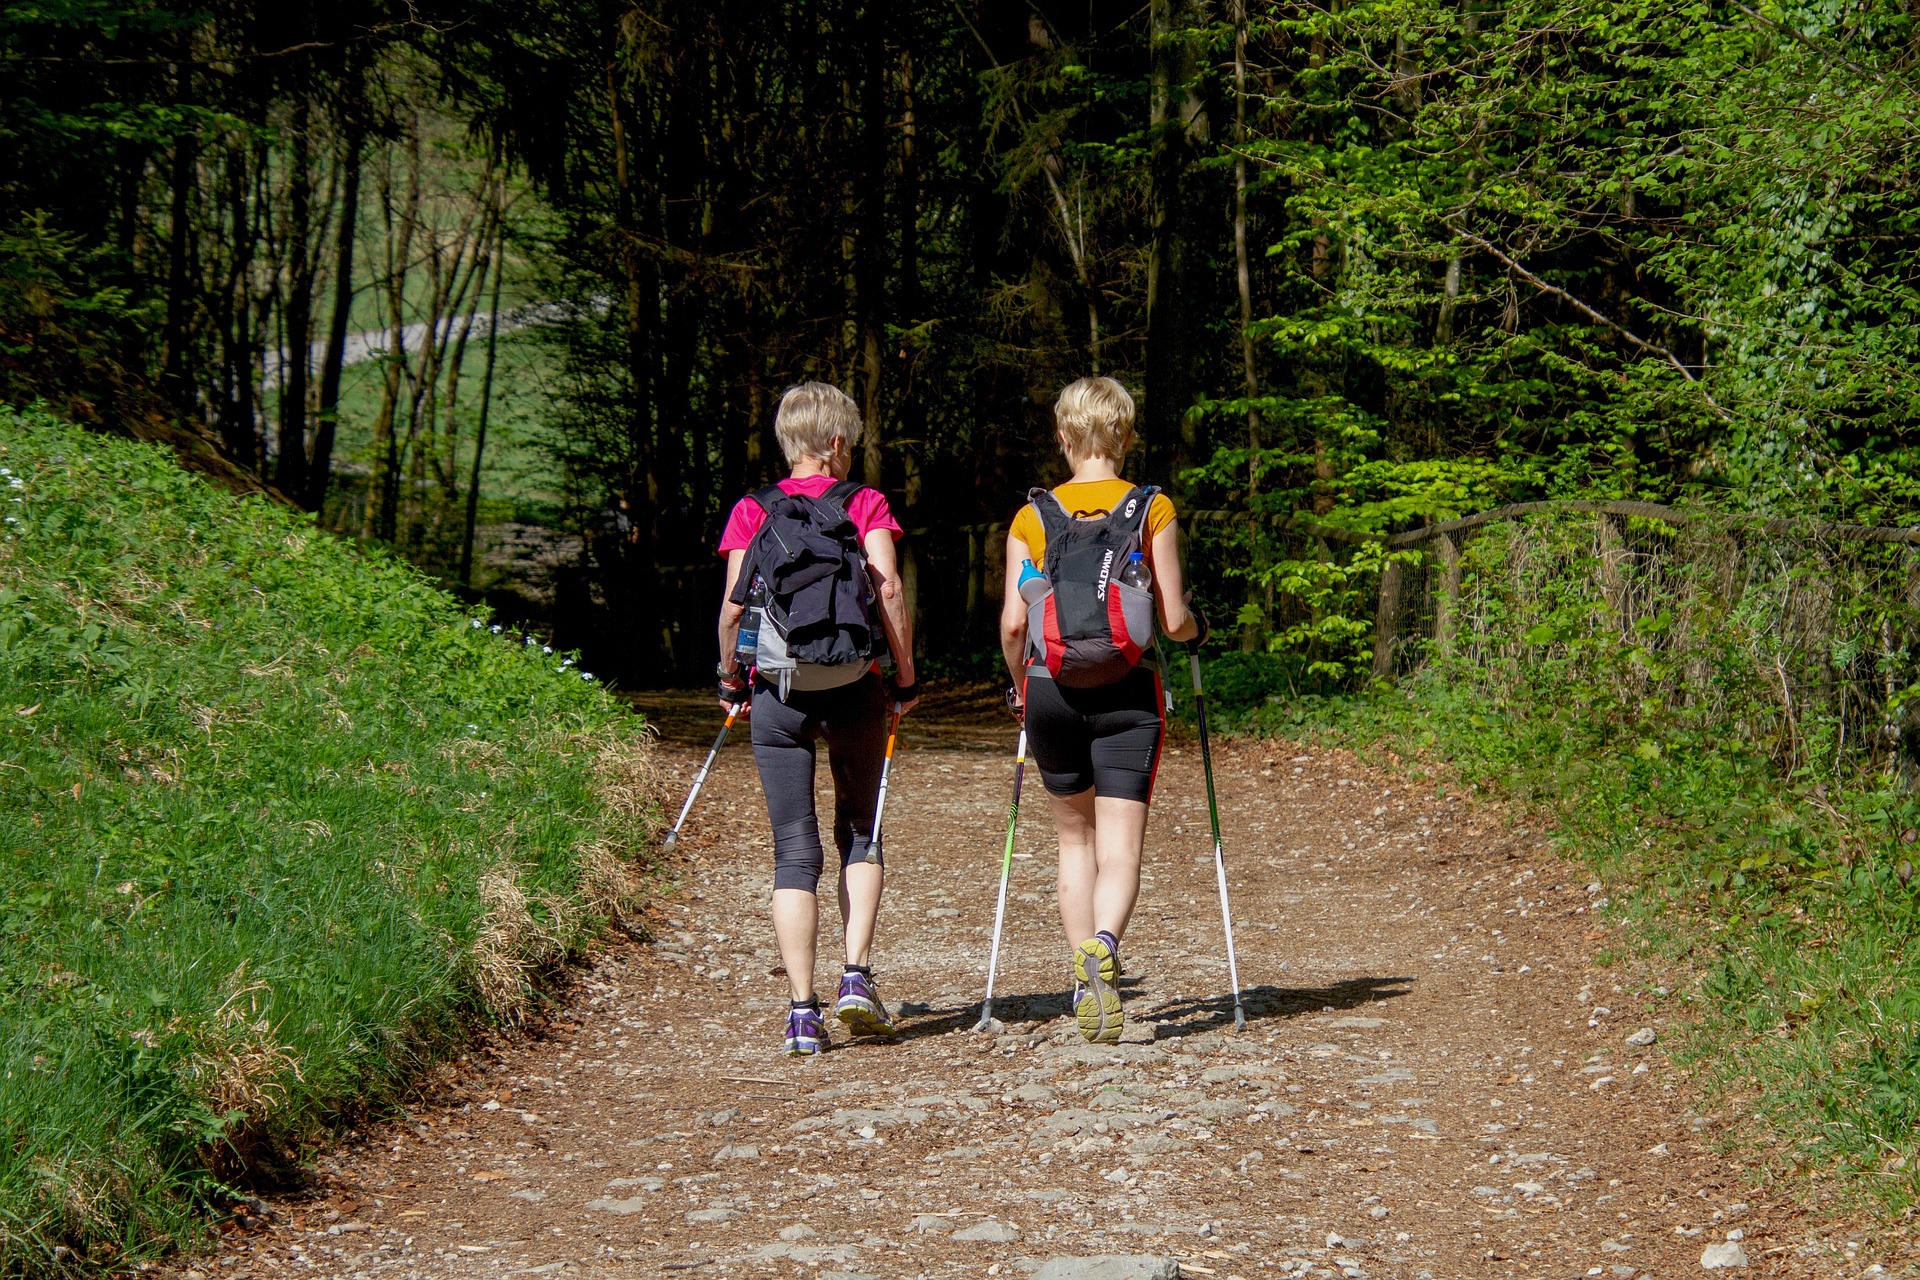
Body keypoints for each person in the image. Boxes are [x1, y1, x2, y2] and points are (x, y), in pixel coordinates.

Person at [716, 382, 920, 1056]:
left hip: (778, 692)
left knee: (793, 849)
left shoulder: (753, 510)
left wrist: (729, 678)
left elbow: (735, 609)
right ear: (837, 443)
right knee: (861, 829)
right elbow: (886, 589)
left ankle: (802, 1013)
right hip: (854, 683)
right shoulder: (864, 504)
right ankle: (856, 975)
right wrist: (905, 674)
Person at [999, 377, 1203, 1044]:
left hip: (1049, 690)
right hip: (1126, 692)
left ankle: (1084, 977)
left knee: (1073, 841)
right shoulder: (1152, 507)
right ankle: (1107, 943)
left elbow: (1011, 624)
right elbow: (1171, 620)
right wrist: (1197, 630)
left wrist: (1020, 691)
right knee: (1121, 849)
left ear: (1063, 438)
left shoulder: (1031, 518)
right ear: (1126, 437)